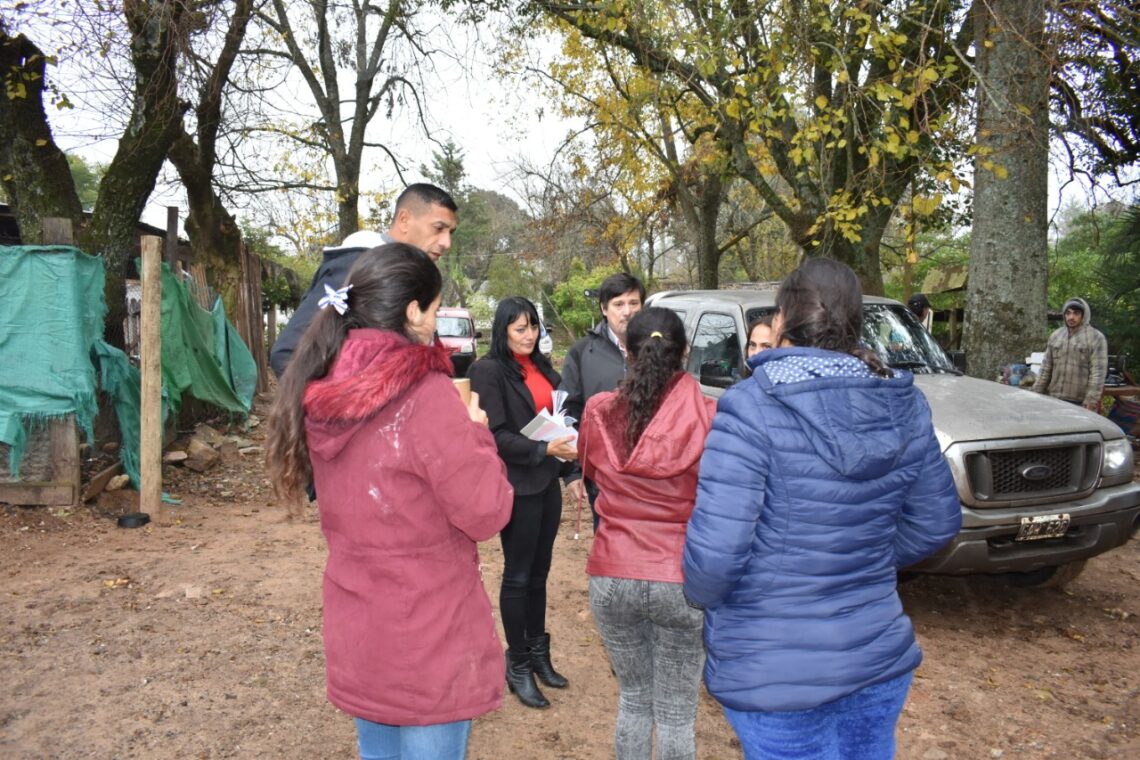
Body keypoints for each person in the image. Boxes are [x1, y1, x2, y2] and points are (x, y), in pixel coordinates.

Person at [682, 257, 962, 760]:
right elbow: (938, 520)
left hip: (777, 670)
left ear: (783, 320)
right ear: (855, 321)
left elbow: (715, 561)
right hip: (875, 654)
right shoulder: (903, 403)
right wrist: (864, 556)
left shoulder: (751, 407)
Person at [265, 244, 513, 760]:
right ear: (413, 311)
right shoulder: (425, 395)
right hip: (430, 633)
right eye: (436, 307)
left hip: (360, 622)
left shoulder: (319, 384)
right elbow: (488, 511)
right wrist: (477, 434)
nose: (437, 320)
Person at [578, 307, 714, 760]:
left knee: (634, 701)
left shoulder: (600, 412)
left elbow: (593, 471)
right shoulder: (710, 417)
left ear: (628, 353)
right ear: (686, 354)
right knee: (676, 713)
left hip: (613, 571)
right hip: (680, 576)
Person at [468, 297, 578, 710]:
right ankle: (516, 666)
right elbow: (493, 435)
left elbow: (558, 422)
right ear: (502, 331)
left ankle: (538, 656)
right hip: (517, 485)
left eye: (533, 326)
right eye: (519, 328)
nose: (529, 335)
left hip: (547, 481)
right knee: (518, 576)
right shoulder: (488, 370)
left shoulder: (544, 369)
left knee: (540, 575)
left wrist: (567, 467)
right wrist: (544, 451)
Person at [270, 183, 459, 377]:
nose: (447, 243)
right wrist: (343, 403)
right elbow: (287, 354)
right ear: (404, 220)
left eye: (450, 232)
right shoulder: (356, 267)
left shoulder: (411, 277)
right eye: (438, 228)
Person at [559, 272, 646, 530]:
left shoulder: (658, 348)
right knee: (610, 545)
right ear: (603, 308)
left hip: (651, 472)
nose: (627, 311)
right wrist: (573, 472)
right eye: (619, 304)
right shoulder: (582, 352)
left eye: (634, 303)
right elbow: (569, 410)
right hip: (602, 475)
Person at [1031, 297, 1108, 411]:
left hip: (1079, 402)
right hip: (1053, 398)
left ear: (1084, 315)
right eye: (1068, 313)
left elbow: (1098, 373)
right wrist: (1035, 393)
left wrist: (1091, 400)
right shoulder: (1056, 335)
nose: (1071, 317)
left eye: (1076, 313)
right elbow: (1046, 367)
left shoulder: (1096, 338)